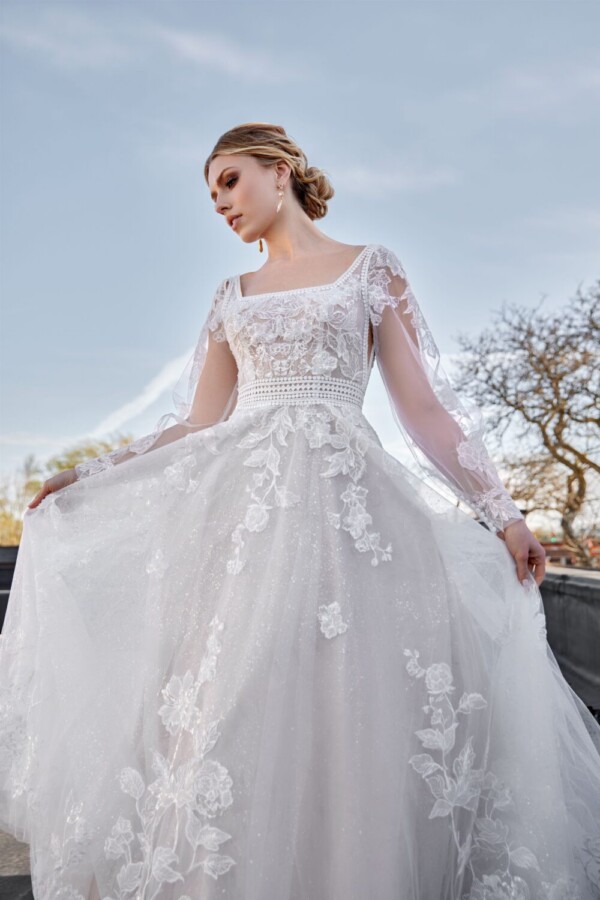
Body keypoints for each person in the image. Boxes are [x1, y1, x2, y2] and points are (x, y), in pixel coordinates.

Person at [1, 122, 599, 900]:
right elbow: (196, 422)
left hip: (358, 523)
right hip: (245, 530)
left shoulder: (370, 269)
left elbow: (424, 411)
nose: (219, 203)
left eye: (230, 180)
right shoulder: (230, 298)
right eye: (210, 192)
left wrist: (505, 512)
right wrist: (91, 471)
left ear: (279, 172)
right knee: (235, 708)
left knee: (357, 712)